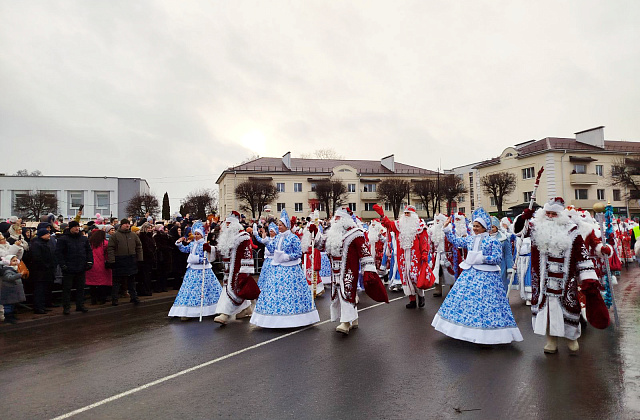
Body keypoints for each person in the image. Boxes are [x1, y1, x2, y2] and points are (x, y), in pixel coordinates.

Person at [514, 197, 600, 354]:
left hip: (565, 281)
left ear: (561, 215)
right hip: (542, 282)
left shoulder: (573, 231)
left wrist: (587, 277)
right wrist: (523, 218)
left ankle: (572, 339)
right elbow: (519, 232)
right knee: (546, 312)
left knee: (568, 310)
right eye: (548, 213)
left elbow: (582, 255)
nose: (550, 217)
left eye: (554, 214)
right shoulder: (535, 227)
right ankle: (551, 341)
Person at [432, 208, 523, 345]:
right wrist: (446, 230)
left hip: (488, 278)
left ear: (484, 227)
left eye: (477, 226)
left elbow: (497, 258)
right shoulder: (470, 239)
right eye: (474, 226)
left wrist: (482, 258)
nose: (474, 228)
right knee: (464, 302)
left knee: (486, 306)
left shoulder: (493, 242)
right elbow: (456, 242)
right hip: (470, 274)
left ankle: (488, 335)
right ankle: (464, 331)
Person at [312, 208, 387, 335]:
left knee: (347, 293)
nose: (335, 220)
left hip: (348, 271)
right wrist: (314, 232)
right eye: (335, 217)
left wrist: (367, 270)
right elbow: (321, 246)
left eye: (338, 217)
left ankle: (346, 322)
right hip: (335, 270)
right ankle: (354, 319)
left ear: (345, 219)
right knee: (340, 293)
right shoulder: (333, 233)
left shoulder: (355, 233)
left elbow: (364, 252)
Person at [250, 209, 320, 328]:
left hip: (290, 269)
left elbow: (298, 253)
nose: (279, 227)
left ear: (286, 225)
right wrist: (265, 240)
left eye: (281, 225)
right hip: (277, 269)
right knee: (274, 293)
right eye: (278, 225)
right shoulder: (278, 238)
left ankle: (295, 318)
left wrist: (286, 257)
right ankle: (272, 318)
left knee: (292, 294)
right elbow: (272, 249)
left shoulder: (293, 238)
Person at [374, 204, 433, 309]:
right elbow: (388, 224)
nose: (406, 215)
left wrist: (424, 254)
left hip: (416, 256)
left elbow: (424, 241)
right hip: (402, 258)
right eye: (405, 213)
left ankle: (421, 296)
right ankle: (412, 300)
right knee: (406, 277)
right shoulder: (399, 225)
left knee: (415, 277)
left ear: (413, 215)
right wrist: (382, 215)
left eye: (408, 213)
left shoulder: (420, 226)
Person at [169, 221, 222, 320]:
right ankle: (186, 311)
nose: (196, 236)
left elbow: (206, 259)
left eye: (198, 234)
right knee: (188, 290)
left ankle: (213, 309)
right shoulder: (193, 244)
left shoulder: (204, 245)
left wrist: (196, 259)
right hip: (192, 270)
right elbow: (185, 250)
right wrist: (179, 244)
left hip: (202, 271)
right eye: (195, 234)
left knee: (207, 290)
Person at [213, 212, 256, 325]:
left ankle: (224, 315)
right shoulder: (227, 238)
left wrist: (245, 271)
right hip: (228, 271)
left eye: (229, 224)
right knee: (235, 291)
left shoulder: (243, 237)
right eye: (225, 223)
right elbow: (221, 251)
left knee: (232, 291)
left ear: (234, 224)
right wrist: (210, 249)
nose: (226, 226)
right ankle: (246, 309)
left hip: (238, 270)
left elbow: (248, 254)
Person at [56, 220, 93, 314]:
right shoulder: (63, 239)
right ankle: (66, 307)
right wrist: (63, 265)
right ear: (70, 228)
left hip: (81, 267)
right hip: (68, 268)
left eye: (78, 226)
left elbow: (88, 251)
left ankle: (80, 305)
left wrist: (89, 262)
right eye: (75, 227)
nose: (77, 228)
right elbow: (59, 253)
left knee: (81, 288)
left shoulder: (83, 239)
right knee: (67, 289)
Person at [107, 218, 142, 306]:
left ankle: (134, 297)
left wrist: (139, 258)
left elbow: (139, 246)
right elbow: (110, 248)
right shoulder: (115, 236)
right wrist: (112, 260)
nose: (127, 225)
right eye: (125, 224)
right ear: (121, 225)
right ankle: (115, 299)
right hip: (119, 260)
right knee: (117, 281)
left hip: (131, 259)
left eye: (128, 224)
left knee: (131, 281)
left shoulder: (133, 235)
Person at [29, 228, 57, 314]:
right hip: (40, 272)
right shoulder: (37, 244)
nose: (49, 235)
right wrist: (46, 265)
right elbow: (37, 258)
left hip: (46, 271)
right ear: (42, 235)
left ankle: (43, 305)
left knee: (44, 289)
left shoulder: (43, 243)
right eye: (47, 234)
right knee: (39, 290)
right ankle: (38, 307)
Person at [85, 229, 112, 305]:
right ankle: (102, 299)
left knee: (92, 284)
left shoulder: (89, 243)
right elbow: (108, 254)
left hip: (91, 266)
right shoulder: (105, 243)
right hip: (103, 266)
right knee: (103, 283)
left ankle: (93, 300)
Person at [490, 216, 514, 292]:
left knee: (501, 284)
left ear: (497, 227)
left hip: (501, 265)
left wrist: (510, 268)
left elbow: (508, 254)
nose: (490, 229)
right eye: (489, 227)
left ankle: (503, 302)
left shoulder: (504, 238)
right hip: (489, 265)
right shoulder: (485, 238)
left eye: (493, 227)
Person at [1, 254, 24, 324]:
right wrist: (19, 275)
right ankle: (8, 317)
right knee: (8, 304)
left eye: (16, 260)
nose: (16, 262)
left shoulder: (13, 269)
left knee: (12, 304)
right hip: (8, 290)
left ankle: (11, 316)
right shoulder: (7, 270)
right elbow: (9, 278)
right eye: (13, 261)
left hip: (13, 290)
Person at [137, 222, 157, 296]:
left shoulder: (150, 237)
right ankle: (144, 290)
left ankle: (147, 290)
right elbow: (145, 248)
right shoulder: (142, 236)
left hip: (149, 258)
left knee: (147, 275)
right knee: (144, 275)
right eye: (148, 228)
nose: (150, 229)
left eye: (150, 228)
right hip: (144, 259)